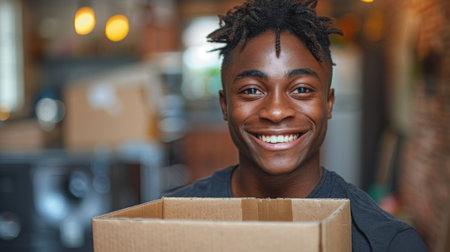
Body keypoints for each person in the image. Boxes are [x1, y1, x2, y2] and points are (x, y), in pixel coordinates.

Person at [167, 0, 428, 251]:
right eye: (251, 90)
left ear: (328, 103)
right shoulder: (168, 226)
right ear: (225, 105)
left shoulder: (388, 243)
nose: (276, 111)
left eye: (301, 89)